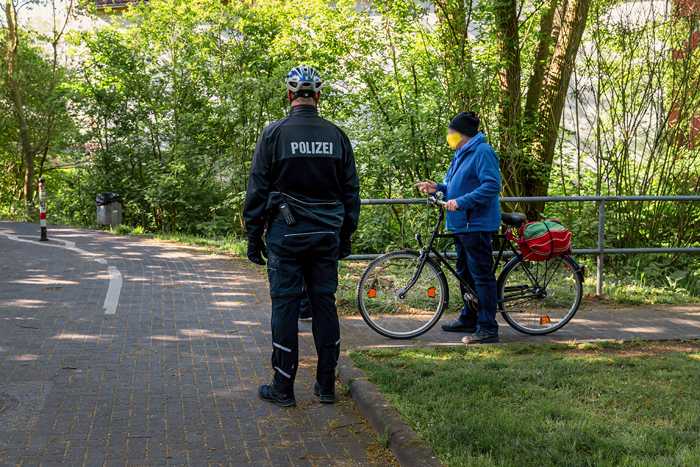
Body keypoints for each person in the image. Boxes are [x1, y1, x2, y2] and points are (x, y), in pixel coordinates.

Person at [243, 65, 360, 407]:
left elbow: (257, 189)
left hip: (287, 234)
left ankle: (283, 387)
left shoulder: (274, 134)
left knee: (285, 306)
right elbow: (351, 191)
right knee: (324, 304)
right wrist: (346, 234)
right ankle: (326, 386)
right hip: (326, 234)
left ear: (290, 95)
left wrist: (253, 236)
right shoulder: (337, 136)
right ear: (318, 96)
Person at [416, 111, 501, 344]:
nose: (448, 136)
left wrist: (462, 202)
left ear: (462, 133)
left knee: (481, 276)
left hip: (476, 223)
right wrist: (438, 188)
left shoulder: (482, 152)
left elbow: (492, 186)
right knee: (465, 274)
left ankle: (487, 327)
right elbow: (456, 186)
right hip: (461, 224)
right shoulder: (461, 153)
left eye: (451, 132)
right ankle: (469, 317)